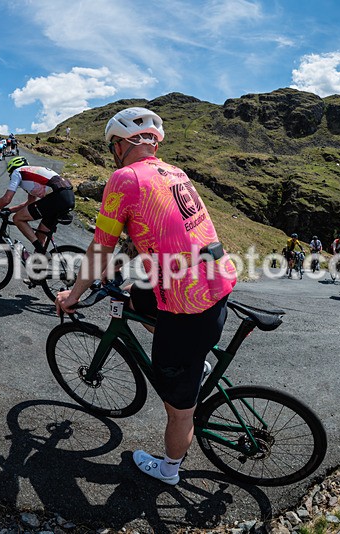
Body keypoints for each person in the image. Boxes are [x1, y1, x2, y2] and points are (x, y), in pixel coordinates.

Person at [56, 107, 236, 486]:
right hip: (215, 281)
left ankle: (169, 469)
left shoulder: (124, 178)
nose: (113, 153)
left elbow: (101, 247)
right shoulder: (175, 172)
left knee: (179, 411)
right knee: (138, 297)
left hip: (188, 307)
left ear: (120, 145)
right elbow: (164, 230)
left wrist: (74, 294)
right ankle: (195, 363)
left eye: (112, 146)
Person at [0, 157, 74, 254]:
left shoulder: (18, 172)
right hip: (68, 196)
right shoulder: (32, 175)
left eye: (10, 174)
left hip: (57, 196)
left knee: (18, 218)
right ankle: (39, 262)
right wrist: (9, 210)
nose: (11, 177)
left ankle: (40, 250)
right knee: (40, 236)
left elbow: (7, 199)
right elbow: (29, 203)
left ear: (12, 169)